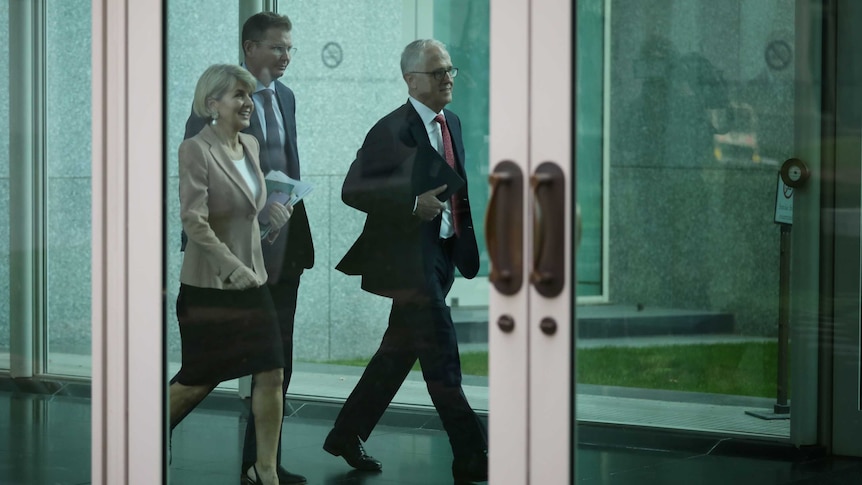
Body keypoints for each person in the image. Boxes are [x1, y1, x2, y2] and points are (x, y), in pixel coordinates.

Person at [324, 39, 488, 483]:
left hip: (442, 256)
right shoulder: (389, 130)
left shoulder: (450, 120)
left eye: (450, 69)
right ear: (411, 80)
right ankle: (473, 455)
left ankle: (346, 432)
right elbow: (352, 190)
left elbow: (457, 188)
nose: (448, 77)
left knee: (396, 353)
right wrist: (411, 204)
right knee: (442, 357)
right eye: (438, 72)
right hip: (408, 263)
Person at [183, 11, 314, 485]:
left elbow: (287, 165)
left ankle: (262, 464)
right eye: (277, 47)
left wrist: (288, 207)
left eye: (289, 48)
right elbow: (201, 182)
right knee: (205, 369)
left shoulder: (287, 98)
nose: (285, 57)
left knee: (278, 360)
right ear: (249, 48)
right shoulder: (216, 104)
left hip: (284, 247)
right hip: (234, 250)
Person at [170, 64, 291, 485]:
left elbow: (245, 213)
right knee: (197, 381)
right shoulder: (195, 150)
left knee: (272, 371)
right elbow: (194, 221)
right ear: (211, 104)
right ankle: (144, 434)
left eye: (249, 95)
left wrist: (271, 217)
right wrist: (231, 267)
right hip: (210, 287)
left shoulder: (252, 146)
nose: (248, 103)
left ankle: (265, 470)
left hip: (252, 281)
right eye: (238, 95)